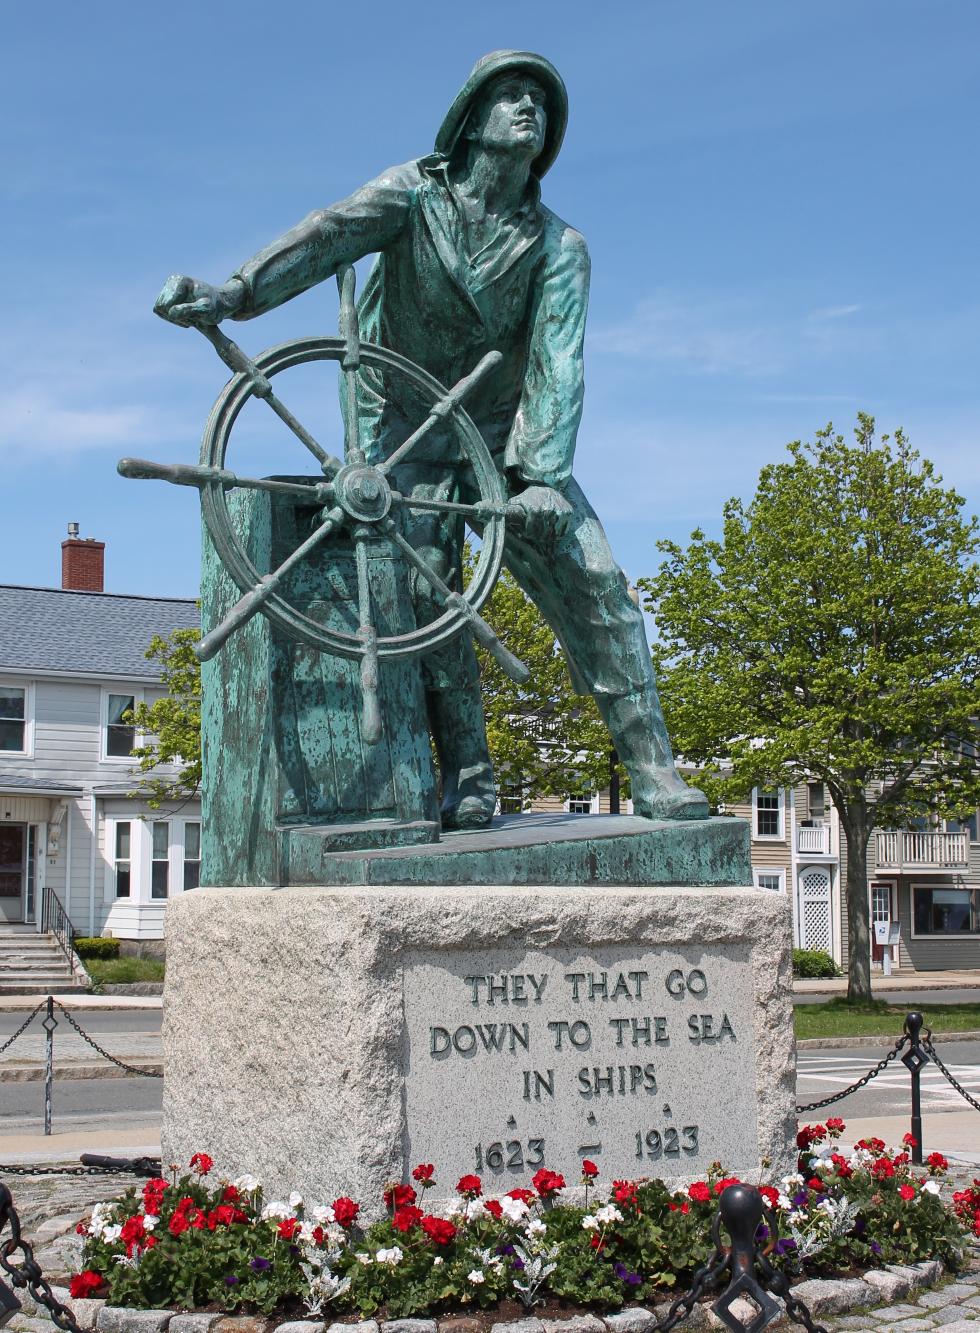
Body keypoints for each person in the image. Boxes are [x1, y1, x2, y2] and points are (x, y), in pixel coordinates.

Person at [155, 50, 708, 826]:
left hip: (505, 441)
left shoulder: (560, 248)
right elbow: (325, 237)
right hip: (403, 425)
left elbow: (559, 361)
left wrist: (543, 474)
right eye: (510, 95)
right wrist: (236, 293)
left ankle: (655, 771)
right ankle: (470, 775)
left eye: (539, 102)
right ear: (470, 119)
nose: (529, 110)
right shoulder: (413, 194)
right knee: (425, 592)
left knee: (600, 584)